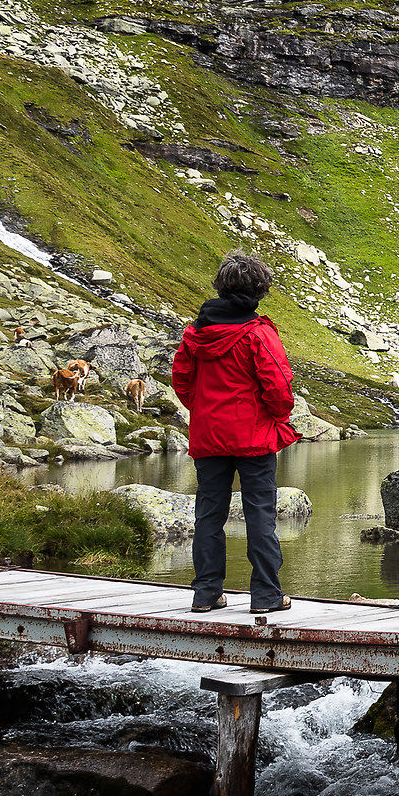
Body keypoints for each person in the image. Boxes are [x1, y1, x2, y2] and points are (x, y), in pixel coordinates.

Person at [172, 252, 302, 614]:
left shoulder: (195, 334)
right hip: (254, 437)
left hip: (208, 437)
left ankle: (206, 595)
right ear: (260, 290)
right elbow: (278, 386)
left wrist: (202, 411)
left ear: (220, 286)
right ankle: (266, 596)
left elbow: (181, 380)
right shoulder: (257, 334)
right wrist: (277, 415)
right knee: (260, 513)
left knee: (209, 515)